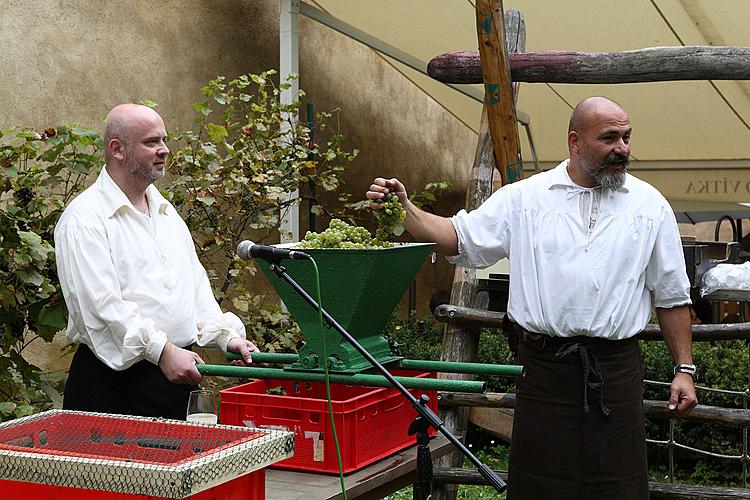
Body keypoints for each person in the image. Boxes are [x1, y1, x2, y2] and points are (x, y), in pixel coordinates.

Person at [367, 96, 697, 499]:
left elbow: (672, 296)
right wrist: (406, 211)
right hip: (544, 369)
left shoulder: (650, 206)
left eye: (626, 138)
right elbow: (461, 236)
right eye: (609, 138)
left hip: (615, 370)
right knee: (539, 487)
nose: (622, 149)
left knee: (618, 488)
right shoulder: (525, 198)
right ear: (575, 142)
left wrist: (685, 369)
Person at [55, 104, 258, 420]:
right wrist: (162, 351)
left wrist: (226, 337)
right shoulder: (85, 219)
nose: (164, 150)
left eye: (164, 140)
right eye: (151, 142)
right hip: (113, 388)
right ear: (118, 149)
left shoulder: (166, 213)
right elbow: (101, 307)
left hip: (175, 379)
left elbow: (193, 289)